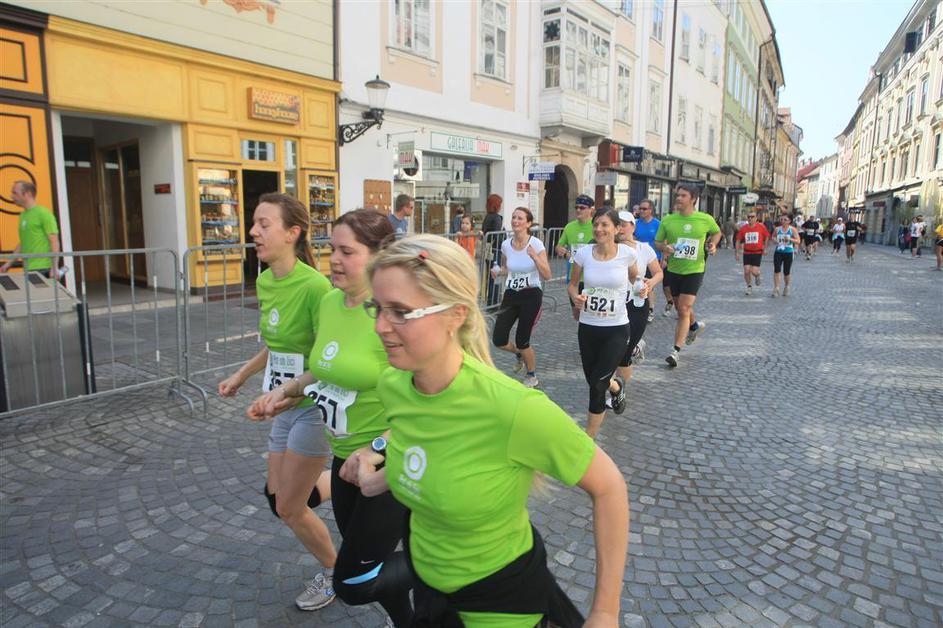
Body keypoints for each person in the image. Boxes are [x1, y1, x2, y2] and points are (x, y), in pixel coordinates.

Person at [359, 234, 629, 627]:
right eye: (377, 308)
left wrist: (605, 611)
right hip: (428, 592)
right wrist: (380, 471)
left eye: (400, 311)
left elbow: (609, 487)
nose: (381, 327)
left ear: (455, 314)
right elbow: (429, 442)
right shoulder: (394, 385)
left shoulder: (513, 408)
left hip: (500, 606)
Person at [251, 210, 414, 626]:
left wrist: (377, 447)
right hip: (344, 460)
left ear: (379, 255)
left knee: (354, 580)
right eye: (331, 249)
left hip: (387, 459)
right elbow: (324, 369)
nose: (334, 260)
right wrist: (285, 392)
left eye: (347, 252)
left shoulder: (393, 313)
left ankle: (464, 566)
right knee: (371, 566)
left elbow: (427, 398)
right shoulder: (328, 302)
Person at [218, 193, 337, 611]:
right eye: (254, 223)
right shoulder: (266, 281)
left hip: (313, 407)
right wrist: (241, 375)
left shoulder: (316, 287)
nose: (253, 231)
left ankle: (334, 573)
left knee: (289, 505)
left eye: (263, 224)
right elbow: (276, 344)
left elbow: (330, 359)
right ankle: (351, 483)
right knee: (277, 498)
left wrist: (289, 394)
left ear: (292, 233)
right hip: (283, 404)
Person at [568, 208, 639, 438]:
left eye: (605, 225)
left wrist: (642, 288)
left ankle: (588, 438)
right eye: (596, 224)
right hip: (588, 327)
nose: (599, 229)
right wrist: (575, 299)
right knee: (594, 379)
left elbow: (635, 279)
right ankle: (617, 387)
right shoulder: (583, 254)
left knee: (598, 384)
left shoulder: (627, 254)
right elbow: (572, 284)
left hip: (616, 328)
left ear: (617, 229)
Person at [655, 184, 721, 368]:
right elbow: (658, 242)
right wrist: (665, 247)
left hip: (695, 269)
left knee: (684, 308)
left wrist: (713, 244)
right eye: (677, 195)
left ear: (693, 199)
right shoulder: (668, 220)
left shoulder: (705, 219)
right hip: (674, 269)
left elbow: (717, 233)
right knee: (679, 306)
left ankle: (675, 351)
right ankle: (694, 327)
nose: (678, 198)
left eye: (683, 195)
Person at [491, 207, 551, 388]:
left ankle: (531, 374)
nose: (515, 221)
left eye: (520, 218)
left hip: (531, 294)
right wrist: (498, 272)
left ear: (528, 223)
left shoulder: (536, 244)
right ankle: (518, 353)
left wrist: (535, 257)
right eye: (513, 217)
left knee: (523, 340)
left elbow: (547, 274)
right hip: (511, 293)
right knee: (499, 339)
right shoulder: (506, 245)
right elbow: (506, 268)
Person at [615, 211, 662, 387]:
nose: (620, 228)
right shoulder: (608, 247)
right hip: (614, 304)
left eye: (624, 224)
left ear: (633, 227)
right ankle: (635, 346)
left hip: (636, 302)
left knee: (624, 353)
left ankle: (618, 392)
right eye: (617, 224)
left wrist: (650, 284)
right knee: (614, 349)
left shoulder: (644, 248)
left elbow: (658, 273)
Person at [1, 181, 61, 278]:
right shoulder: (23, 215)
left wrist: (54, 267)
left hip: (43, 268)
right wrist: (8, 263)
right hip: (28, 269)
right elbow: (23, 243)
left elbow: (54, 241)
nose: (12, 196)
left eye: (15, 193)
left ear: (28, 194)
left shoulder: (43, 213)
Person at [555, 194, 596, 320]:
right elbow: (559, 246)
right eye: (576, 207)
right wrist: (561, 250)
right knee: (577, 314)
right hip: (574, 278)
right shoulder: (570, 227)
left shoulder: (596, 227)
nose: (578, 210)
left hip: (592, 277)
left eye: (582, 207)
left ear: (591, 209)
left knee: (592, 314)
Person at [633, 199, 662, 323]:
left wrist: (664, 258)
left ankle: (650, 309)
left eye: (644, 209)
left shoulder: (657, 224)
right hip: (638, 259)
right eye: (640, 208)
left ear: (651, 210)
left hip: (653, 259)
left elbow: (663, 242)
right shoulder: (635, 224)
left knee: (649, 285)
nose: (641, 211)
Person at [735, 211, 770, 295]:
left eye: (752, 217)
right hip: (747, 252)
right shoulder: (743, 228)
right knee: (746, 270)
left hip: (757, 252)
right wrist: (737, 253)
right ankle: (749, 286)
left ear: (756, 218)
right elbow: (738, 240)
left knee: (754, 271)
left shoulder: (761, 227)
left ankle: (757, 275)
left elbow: (767, 237)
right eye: (749, 217)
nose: (750, 218)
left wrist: (765, 248)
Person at [481, 194, 505, 307]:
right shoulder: (496, 218)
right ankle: (494, 301)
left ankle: (491, 300)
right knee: (495, 275)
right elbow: (497, 236)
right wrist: (504, 234)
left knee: (490, 276)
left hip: (488, 250)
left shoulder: (487, 217)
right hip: (495, 250)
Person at [771, 215, 800, 298]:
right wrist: (775, 240)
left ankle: (787, 286)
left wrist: (790, 239)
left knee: (786, 272)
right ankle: (776, 288)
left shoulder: (792, 230)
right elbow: (773, 236)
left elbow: (798, 241)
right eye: (781, 219)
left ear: (789, 221)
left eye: (785, 219)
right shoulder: (777, 229)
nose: (783, 221)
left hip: (788, 252)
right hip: (778, 251)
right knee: (777, 270)